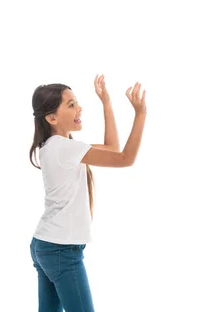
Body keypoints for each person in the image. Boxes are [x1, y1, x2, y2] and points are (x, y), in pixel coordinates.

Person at [29, 74, 147, 312]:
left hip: (45, 244)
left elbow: (112, 148)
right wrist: (141, 114)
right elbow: (125, 158)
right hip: (61, 249)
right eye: (71, 105)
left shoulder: (55, 147)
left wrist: (106, 103)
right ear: (52, 118)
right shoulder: (64, 148)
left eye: (77, 102)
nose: (79, 107)